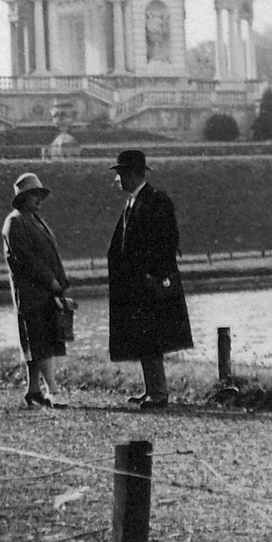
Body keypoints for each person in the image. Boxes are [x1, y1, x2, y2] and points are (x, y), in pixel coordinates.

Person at [106, 149, 192, 409]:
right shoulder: (134, 202)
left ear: (133, 174)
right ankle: (151, 389)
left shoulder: (155, 200)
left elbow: (167, 241)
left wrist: (151, 274)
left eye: (120, 173)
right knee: (144, 338)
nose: (117, 179)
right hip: (135, 285)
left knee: (152, 337)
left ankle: (159, 392)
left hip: (148, 283)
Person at [1, 171, 70, 408]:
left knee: (38, 341)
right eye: (33, 195)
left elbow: (51, 255)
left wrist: (60, 281)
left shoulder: (34, 219)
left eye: (41, 195)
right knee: (40, 342)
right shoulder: (15, 222)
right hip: (31, 292)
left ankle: (33, 389)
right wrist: (50, 280)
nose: (39, 200)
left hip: (44, 291)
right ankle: (53, 390)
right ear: (22, 198)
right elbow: (27, 260)